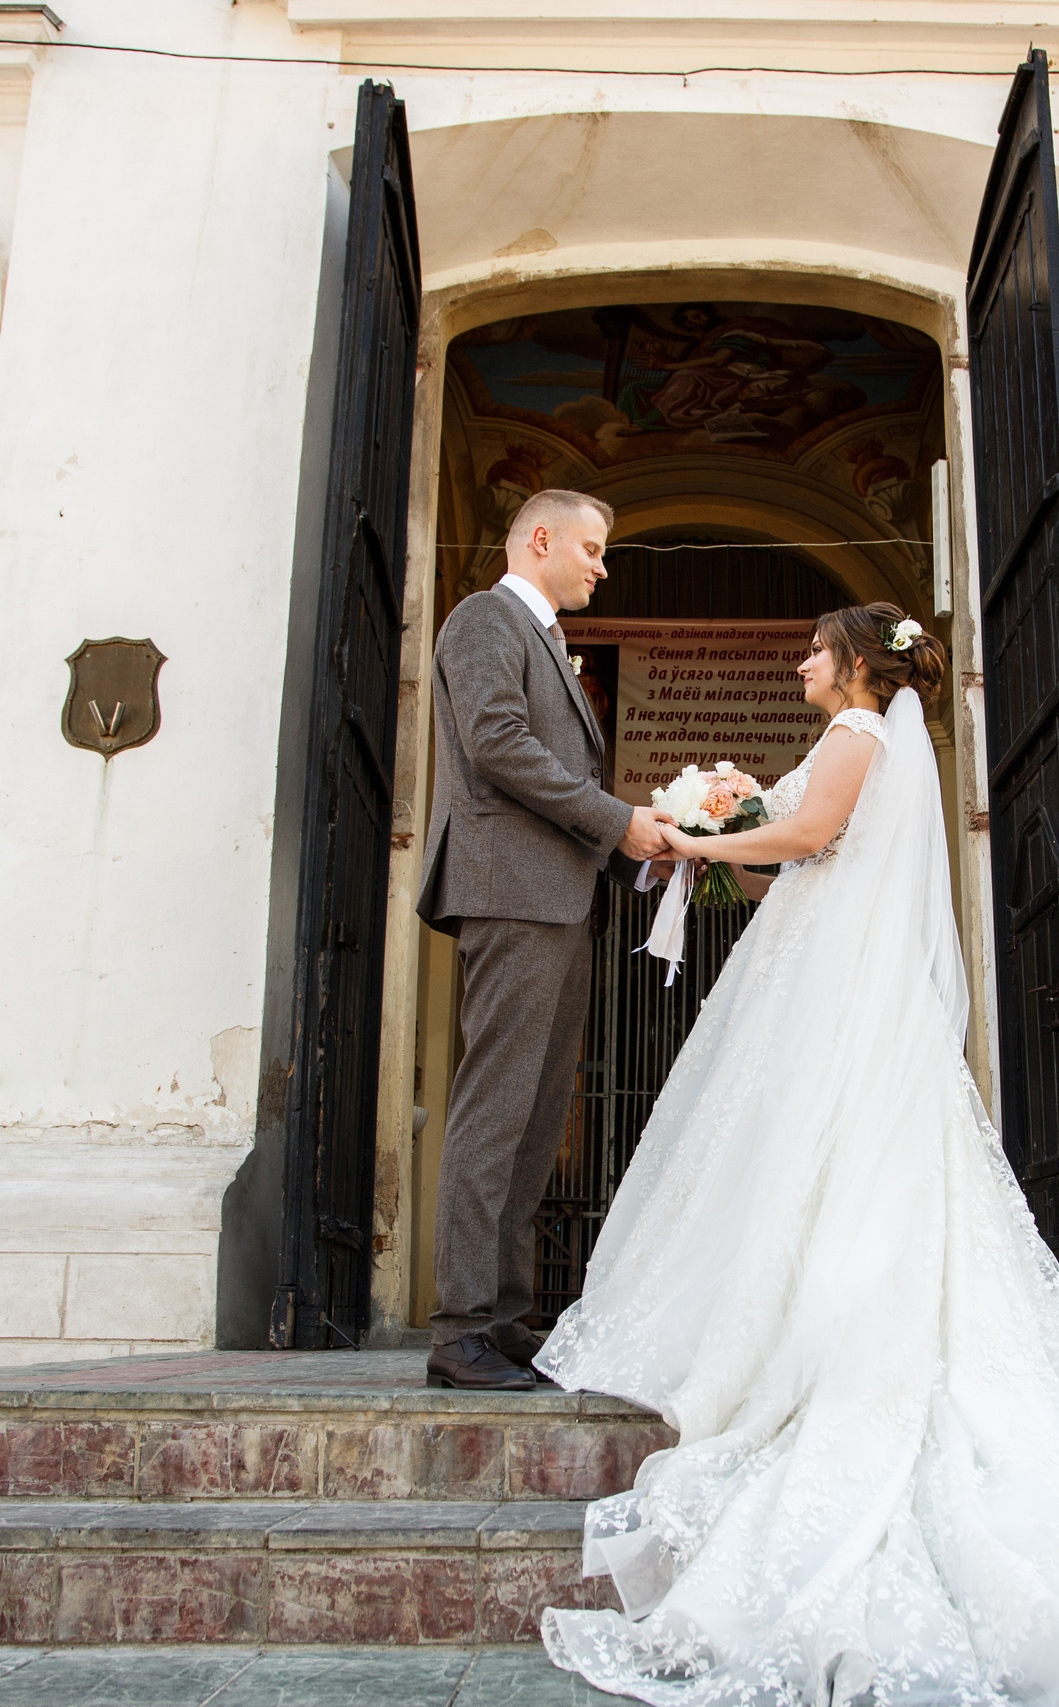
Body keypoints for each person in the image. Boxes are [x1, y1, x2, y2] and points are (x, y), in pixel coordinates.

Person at [534, 602, 1059, 1706]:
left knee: (826, 1156)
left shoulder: (857, 738)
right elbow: (817, 868)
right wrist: (723, 867)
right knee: (835, 1160)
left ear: (857, 665)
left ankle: (815, 1340)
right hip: (831, 973)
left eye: (815, 649)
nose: (800, 660)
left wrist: (696, 838)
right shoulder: (863, 745)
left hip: (837, 991)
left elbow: (809, 841)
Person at [416, 488, 673, 1392]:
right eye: (594, 548)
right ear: (540, 538)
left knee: (532, 1121)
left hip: (558, 899)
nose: (603, 565)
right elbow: (497, 743)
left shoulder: (539, 637)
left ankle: (503, 1314)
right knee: (495, 1108)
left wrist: (634, 854)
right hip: (511, 896)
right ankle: (459, 1329)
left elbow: (545, 770)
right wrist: (616, 820)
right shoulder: (485, 618)